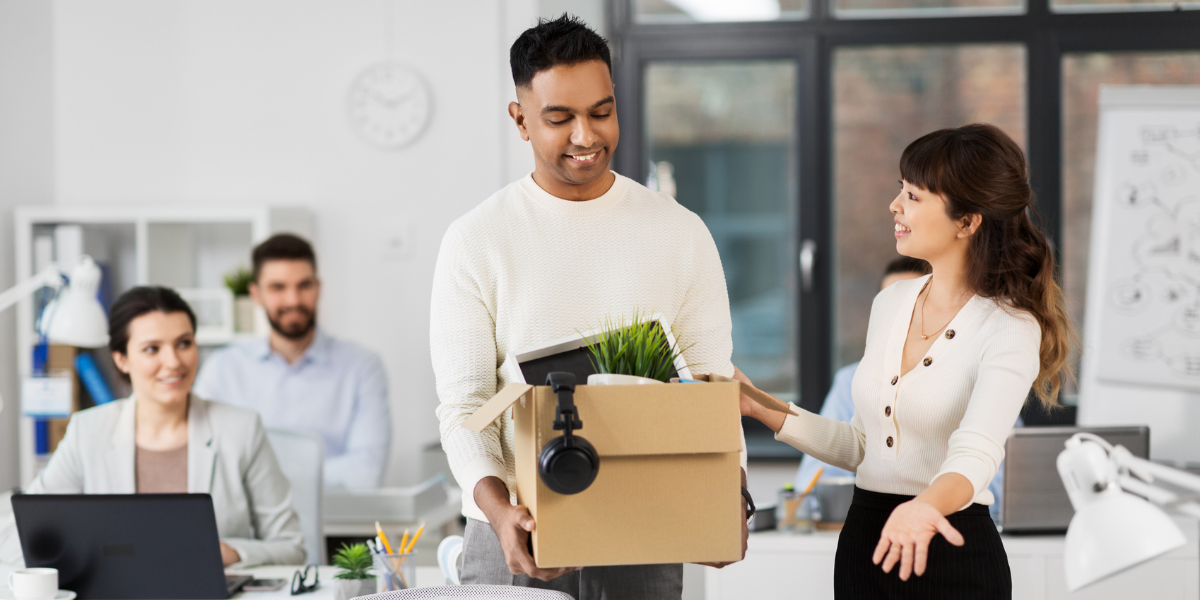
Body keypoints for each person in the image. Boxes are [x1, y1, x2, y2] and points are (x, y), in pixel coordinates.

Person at [431, 15, 748, 599]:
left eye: (601, 112)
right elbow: (466, 409)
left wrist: (730, 494)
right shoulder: (477, 240)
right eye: (560, 119)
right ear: (520, 120)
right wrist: (500, 513)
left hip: (644, 531)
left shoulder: (680, 232)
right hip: (513, 534)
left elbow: (712, 388)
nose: (585, 136)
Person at [737, 124, 1076, 598]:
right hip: (866, 547)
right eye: (901, 190)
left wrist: (925, 507)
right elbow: (862, 445)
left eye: (913, 196)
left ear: (967, 222)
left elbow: (977, 453)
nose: (894, 206)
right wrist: (757, 404)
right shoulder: (891, 303)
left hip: (952, 552)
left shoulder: (1009, 326)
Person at [0, 286, 305, 568]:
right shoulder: (87, 431)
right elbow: (20, 535)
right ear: (121, 359)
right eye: (152, 349)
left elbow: (291, 547)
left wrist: (228, 552)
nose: (173, 362)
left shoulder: (241, 429)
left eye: (183, 343)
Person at [195, 234, 391, 490]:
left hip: (337, 515)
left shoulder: (362, 367)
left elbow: (366, 472)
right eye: (278, 287)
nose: (293, 300)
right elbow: (204, 462)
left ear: (318, 288)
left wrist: (262, 482)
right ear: (256, 294)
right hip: (249, 517)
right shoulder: (222, 369)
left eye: (304, 285)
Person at [795, 256, 929, 486]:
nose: (899, 316)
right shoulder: (852, 381)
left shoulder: (968, 377)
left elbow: (993, 484)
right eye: (890, 304)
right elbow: (817, 480)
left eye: (912, 304)